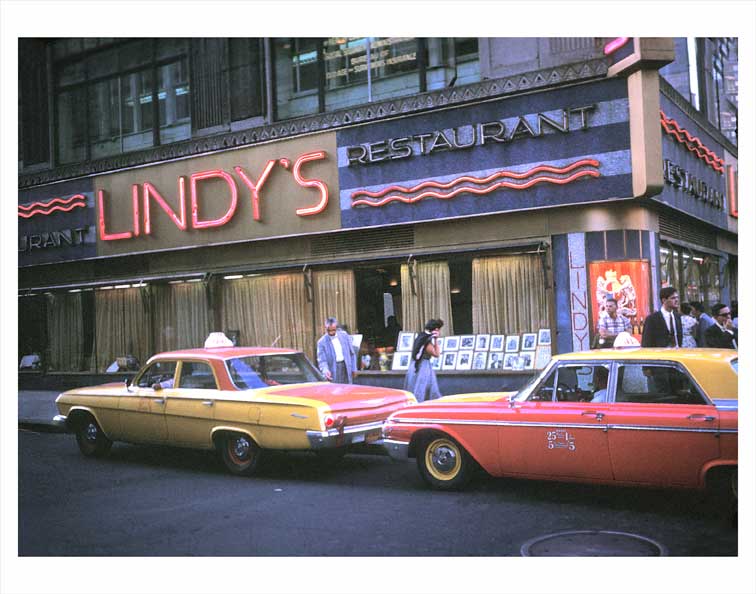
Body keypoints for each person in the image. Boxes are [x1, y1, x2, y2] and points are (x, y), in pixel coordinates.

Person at [404, 318, 444, 402]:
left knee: (415, 386)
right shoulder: (427, 342)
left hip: (415, 365)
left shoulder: (421, 336)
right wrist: (436, 340)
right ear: (436, 329)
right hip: (423, 367)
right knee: (422, 388)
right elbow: (436, 354)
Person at [316, 317, 357, 383]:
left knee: (347, 389)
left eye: (333, 330)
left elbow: (352, 353)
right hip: (333, 369)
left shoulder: (344, 335)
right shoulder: (321, 342)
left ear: (336, 328)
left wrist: (354, 368)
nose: (331, 333)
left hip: (346, 367)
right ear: (325, 329)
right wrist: (325, 371)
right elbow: (322, 361)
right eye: (329, 330)